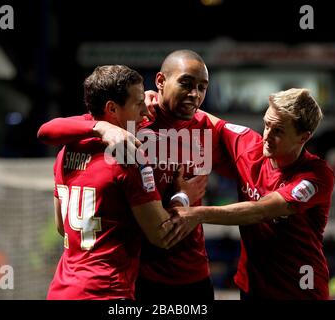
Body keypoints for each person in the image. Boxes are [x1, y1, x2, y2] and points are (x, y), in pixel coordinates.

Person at [38, 50, 233, 302]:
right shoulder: (130, 158)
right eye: (139, 102)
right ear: (112, 109)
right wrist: (183, 197)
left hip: (62, 288)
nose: (146, 109)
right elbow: (161, 236)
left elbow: (61, 227)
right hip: (108, 291)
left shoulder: (66, 150)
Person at [166, 88, 335, 300]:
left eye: (279, 131)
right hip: (251, 287)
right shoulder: (248, 145)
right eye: (266, 125)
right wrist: (158, 99)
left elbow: (260, 211)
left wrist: (196, 214)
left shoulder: (316, 175)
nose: (267, 136)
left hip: (298, 291)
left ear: (304, 137)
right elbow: (207, 120)